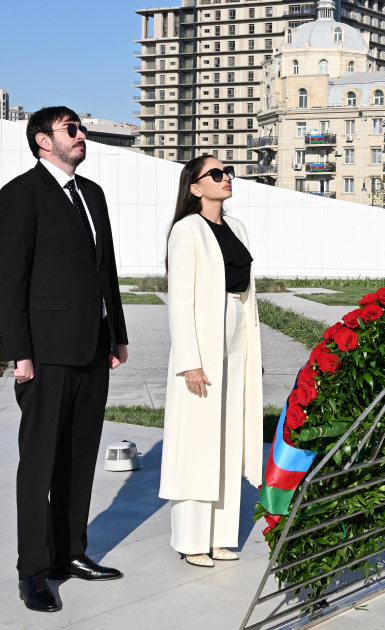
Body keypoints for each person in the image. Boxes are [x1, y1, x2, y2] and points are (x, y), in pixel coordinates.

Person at [0, 106, 129, 613]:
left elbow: (105, 268)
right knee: (41, 462)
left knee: (78, 456)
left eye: (82, 127)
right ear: (43, 140)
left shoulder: (91, 194)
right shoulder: (21, 194)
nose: (82, 134)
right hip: (44, 353)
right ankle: (33, 570)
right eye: (72, 128)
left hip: (92, 346)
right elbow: (6, 279)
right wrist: (18, 352)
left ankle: (71, 553)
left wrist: (118, 334)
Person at [158, 155, 264, 567]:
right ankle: (191, 539)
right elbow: (179, 301)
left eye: (228, 172)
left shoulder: (237, 228)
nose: (226, 178)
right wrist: (189, 361)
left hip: (237, 326)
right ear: (195, 187)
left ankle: (221, 536)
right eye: (216, 174)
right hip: (204, 336)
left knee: (229, 434)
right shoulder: (187, 230)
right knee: (199, 437)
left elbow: (246, 292)